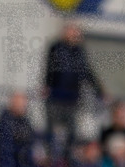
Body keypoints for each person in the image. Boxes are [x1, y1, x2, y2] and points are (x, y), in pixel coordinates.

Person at [43, 21, 104, 158]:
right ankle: (50, 158)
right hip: (56, 97)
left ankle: (67, 160)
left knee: (72, 133)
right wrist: (46, 85)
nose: (74, 34)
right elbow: (49, 68)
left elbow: (87, 73)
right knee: (51, 131)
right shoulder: (56, 48)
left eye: (76, 32)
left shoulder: (80, 52)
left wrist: (100, 91)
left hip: (72, 99)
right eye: (71, 31)